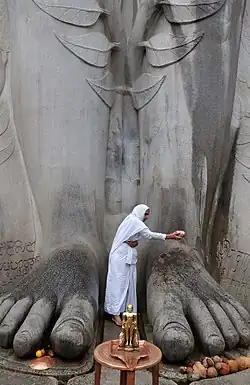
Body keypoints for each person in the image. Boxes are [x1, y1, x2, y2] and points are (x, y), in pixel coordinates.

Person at [104, 204, 185, 326]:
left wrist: (133, 243)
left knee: (129, 283)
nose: (147, 217)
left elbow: (138, 237)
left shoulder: (133, 221)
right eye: (145, 213)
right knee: (118, 284)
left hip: (127, 256)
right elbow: (149, 235)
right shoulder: (134, 221)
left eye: (148, 214)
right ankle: (115, 314)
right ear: (139, 211)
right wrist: (170, 236)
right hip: (120, 258)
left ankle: (126, 311)